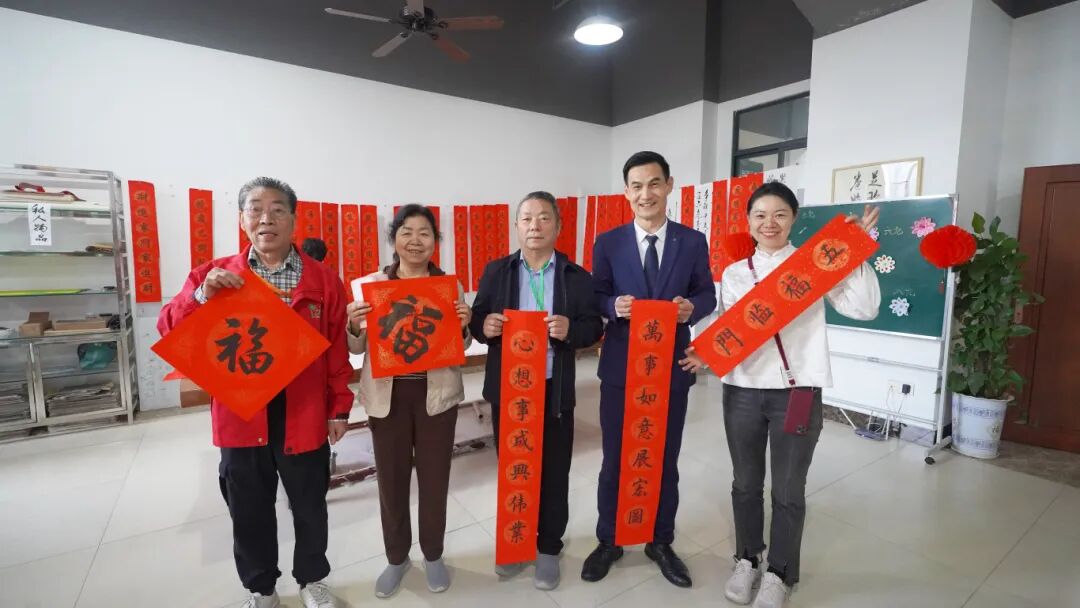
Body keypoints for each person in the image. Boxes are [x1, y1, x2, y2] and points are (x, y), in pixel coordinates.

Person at [682, 181, 880, 608]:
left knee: (789, 489)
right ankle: (747, 559)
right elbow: (730, 327)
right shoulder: (735, 273)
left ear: (793, 220)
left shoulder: (813, 265)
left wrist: (853, 252)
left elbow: (865, 308)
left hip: (797, 393)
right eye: (760, 215)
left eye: (779, 215)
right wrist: (705, 352)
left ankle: (780, 572)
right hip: (742, 391)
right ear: (748, 222)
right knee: (745, 483)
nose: (768, 223)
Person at [158, 177, 352, 608]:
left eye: (278, 210)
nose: (267, 218)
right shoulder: (213, 274)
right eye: (256, 209)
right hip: (240, 410)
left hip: (303, 408)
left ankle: (312, 580)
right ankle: (261, 588)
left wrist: (339, 408)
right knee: (248, 505)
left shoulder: (323, 280)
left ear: (294, 220)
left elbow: (336, 350)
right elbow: (169, 327)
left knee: (309, 502)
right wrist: (202, 298)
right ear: (242, 218)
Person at [583, 151, 717, 588]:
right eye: (637, 186)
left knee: (664, 458)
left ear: (669, 185)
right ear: (626, 192)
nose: (646, 194)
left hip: (670, 369)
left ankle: (661, 540)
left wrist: (692, 308)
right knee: (615, 459)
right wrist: (611, 305)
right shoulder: (608, 242)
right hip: (621, 371)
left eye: (654, 183)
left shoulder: (691, 241)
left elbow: (707, 293)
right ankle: (609, 540)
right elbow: (594, 294)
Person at [470, 191, 604, 590]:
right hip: (510, 390)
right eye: (527, 218)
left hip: (553, 388)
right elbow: (477, 319)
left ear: (558, 226)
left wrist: (571, 330)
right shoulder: (498, 271)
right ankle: (516, 544)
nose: (535, 225)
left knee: (554, 471)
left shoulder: (576, 277)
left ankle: (548, 549)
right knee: (514, 468)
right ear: (517, 226)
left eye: (544, 218)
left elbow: (593, 327)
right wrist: (485, 327)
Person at [345, 204, 472, 599]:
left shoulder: (448, 286)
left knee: (435, 481)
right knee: (392, 481)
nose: (415, 241)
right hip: (388, 397)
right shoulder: (372, 286)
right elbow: (356, 347)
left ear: (435, 241)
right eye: (407, 232)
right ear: (394, 238)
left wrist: (464, 325)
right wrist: (353, 323)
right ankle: (397, 558)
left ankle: (433, 555)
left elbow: (460, 347)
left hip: (437, 396)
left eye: (425, 233)